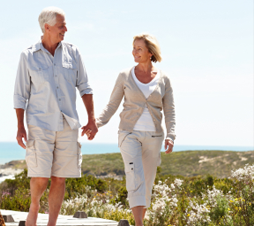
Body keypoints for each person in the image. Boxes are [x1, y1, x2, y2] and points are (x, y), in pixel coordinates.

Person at [13, 7, 98, 226]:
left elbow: (85, 87)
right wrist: (20, 127)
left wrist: (91, 119)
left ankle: (52, 223)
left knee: (60, 178)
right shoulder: (28, 56)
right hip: (39, 123)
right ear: (47, 27)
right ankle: (34, 206)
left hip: (68, 124)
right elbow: (20, 95)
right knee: (41, 176)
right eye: (61, 26)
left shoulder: (74, 52)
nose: (66, 29)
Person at [95, 33, 176, 226]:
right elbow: (112, 104)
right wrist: (96, 123)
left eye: (139, 48)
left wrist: (171, 135)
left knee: (147, 181)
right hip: (129, 133)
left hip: (154, 136)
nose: (134, 52)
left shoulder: (164, 79)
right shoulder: (125, 76)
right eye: (133, 48)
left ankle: (141, 219)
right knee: (134, 174)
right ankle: (139, 223)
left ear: (150, 52)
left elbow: (170, 110)